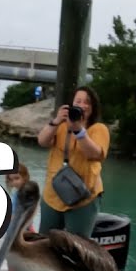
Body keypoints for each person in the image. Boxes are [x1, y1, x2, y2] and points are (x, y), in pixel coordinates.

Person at [36, 85, 110, 239]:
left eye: (87, 102)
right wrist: (56, 121)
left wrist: (78, 130)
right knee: (44, 243)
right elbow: (42, 141)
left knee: (77, 247)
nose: (83, 105)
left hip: (83, 197)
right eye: (79, 101)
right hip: (53, 194)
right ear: (71, 105)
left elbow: (94, 153)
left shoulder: (98, 129)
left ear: (93, 107)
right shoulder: (61, 126)